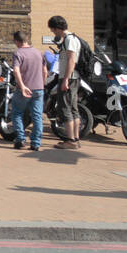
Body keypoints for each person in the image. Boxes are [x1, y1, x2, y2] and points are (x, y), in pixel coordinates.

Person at [49, 15, 83, 150]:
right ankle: (75, 138)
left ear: (57, 28)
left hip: (69, 77)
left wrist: (66, 79)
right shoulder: (73, 38)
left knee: (65, 107)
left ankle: (70, 140)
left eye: (53, 30)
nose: (53, 32)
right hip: (73, 77)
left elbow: (71, 60)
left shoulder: (69, 40)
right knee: (73, 108)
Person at [9, 31, 45, 151]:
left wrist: (22, 86)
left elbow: (16, 70)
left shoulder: (18, 53)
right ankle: (35, 143)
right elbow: (45, 71)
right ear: (27, 39)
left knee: (17, 113)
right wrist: (42, 84)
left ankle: (20, 140)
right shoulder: (38, 52)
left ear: (16, 41)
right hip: (39, 88)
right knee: (37, 116)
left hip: (24, 89)